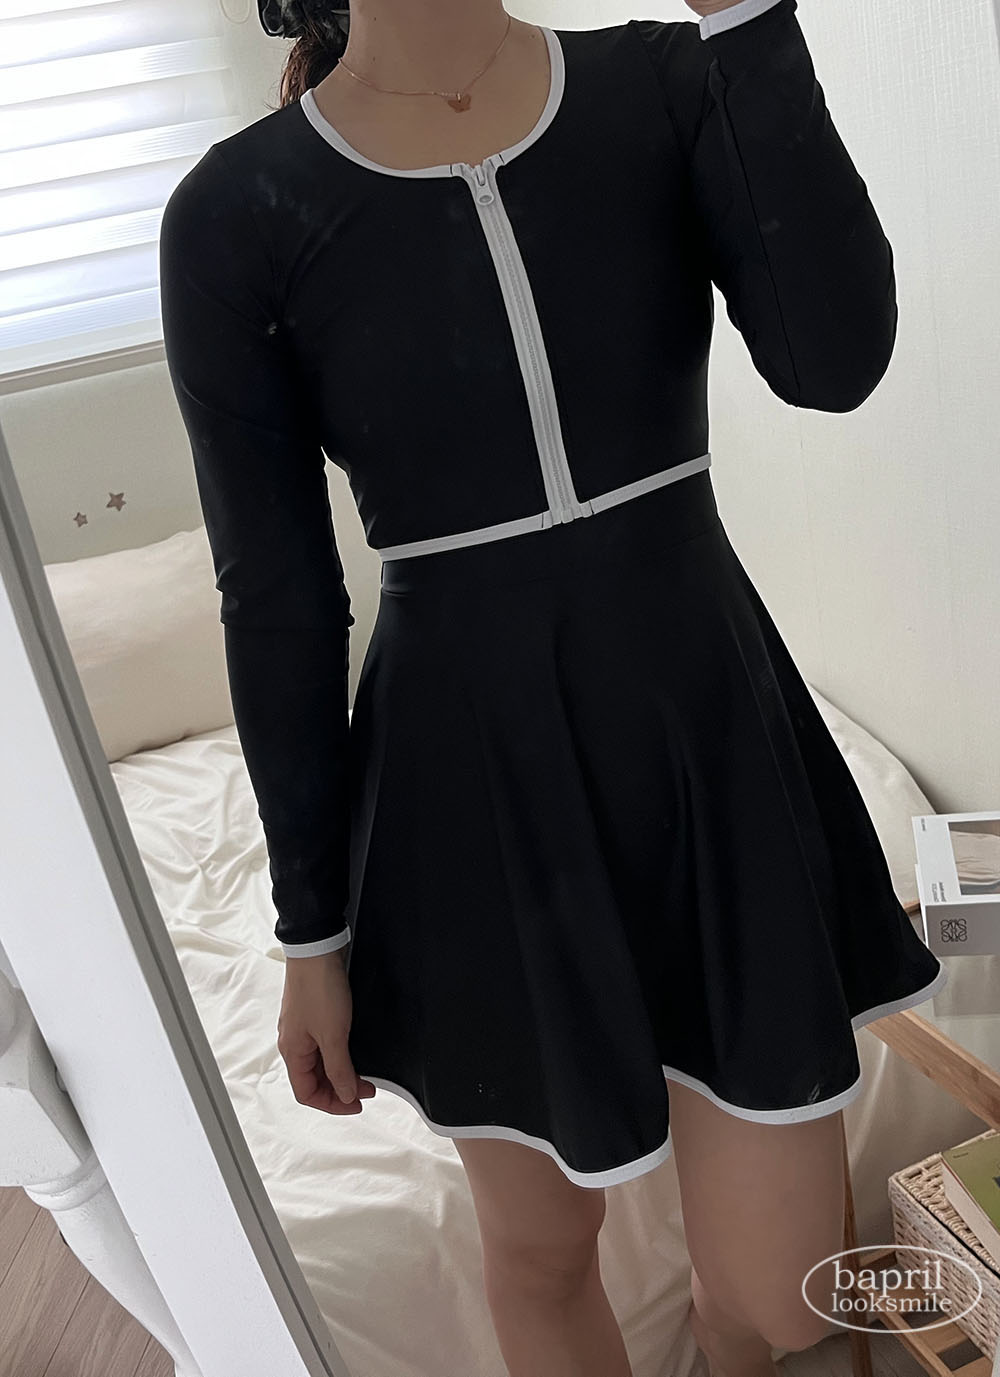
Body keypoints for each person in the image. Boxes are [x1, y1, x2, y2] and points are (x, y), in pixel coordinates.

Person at [158, 1, 948, 1373]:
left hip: (706, 737)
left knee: (782, 1298)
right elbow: (277, 600)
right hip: (469, 787)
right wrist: (310, 933)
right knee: (539, 1249)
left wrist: (751, 23)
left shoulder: (661, 83)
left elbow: (835, 360)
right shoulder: (236, 212)